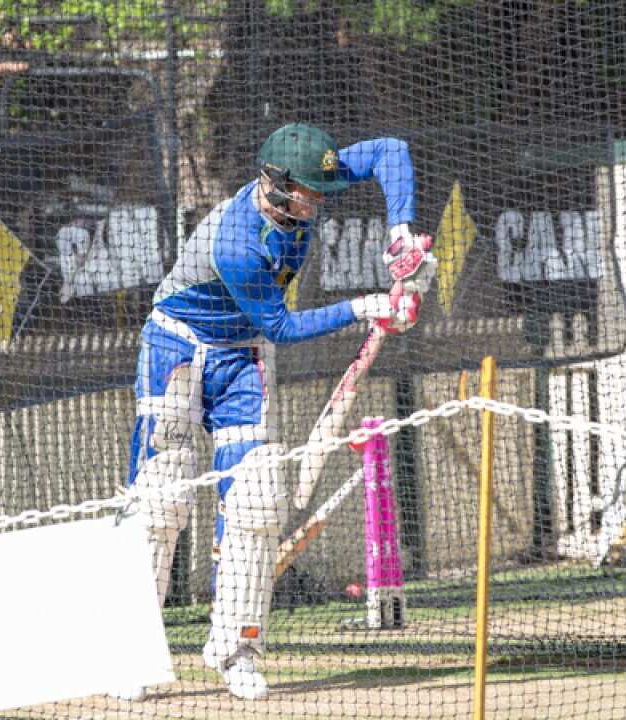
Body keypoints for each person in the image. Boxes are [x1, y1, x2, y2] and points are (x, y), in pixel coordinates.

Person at [117, 123, 435, 701]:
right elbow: (283, 327)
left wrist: (401, 231)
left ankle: (236, 647)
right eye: (306, 192)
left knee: (258, 499)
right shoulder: (237, 241)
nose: (315, 201)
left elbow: (392, 151)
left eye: (320, 190)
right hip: (178, 348)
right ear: (274, 182)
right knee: (160, 498)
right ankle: (132, 651)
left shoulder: (308, 182)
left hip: (241, 356)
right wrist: (369, 307)